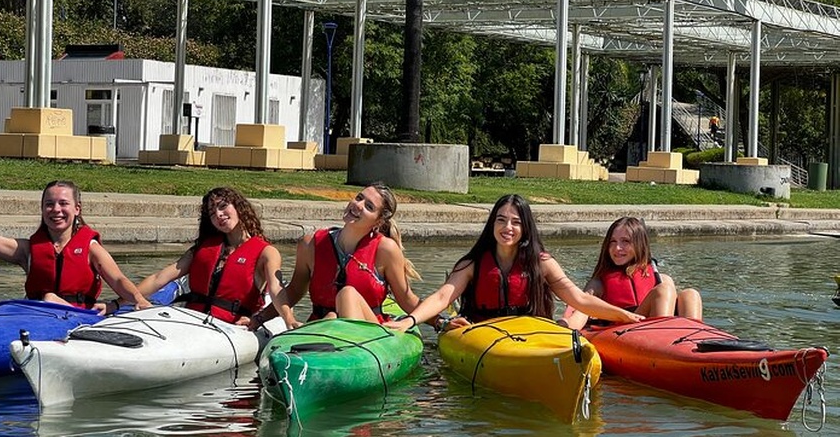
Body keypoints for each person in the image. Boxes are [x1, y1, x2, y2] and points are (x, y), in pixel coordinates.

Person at [385, 194, 643, 333]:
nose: (508, 228)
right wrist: (409, 321)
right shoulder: (472, 263)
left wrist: (624, 315)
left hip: (529, 333)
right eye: (501, 220)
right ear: (492, 224)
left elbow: (578, 298)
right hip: (483, 333)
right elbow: (443, 296)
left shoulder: (542, 263)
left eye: (516, 222)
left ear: (526, 228)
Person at [0, 180, 151, 314]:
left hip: (80, 318)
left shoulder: (91, 248)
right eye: (49, 204)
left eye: (63, 203)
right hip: (35, 315)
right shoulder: (27, 250)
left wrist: (139, 299)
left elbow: (118, 280)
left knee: (49, 297)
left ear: (77, 209)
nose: (56, 209)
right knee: (46, 298)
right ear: (42, 209)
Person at [137, 187, 297, 328]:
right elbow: (160, 278)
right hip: (191, 320)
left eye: (223, 206)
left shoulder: (266, 252)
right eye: (212, 213)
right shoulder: (203, 249)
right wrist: (128, 299)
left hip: (232, 326)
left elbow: (276, 289)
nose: (219, 214)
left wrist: (288, 320)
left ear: (239, 208)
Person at [282, 182, 420, 324]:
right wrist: (261, 319)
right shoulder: (310, 245)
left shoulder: (385, 250)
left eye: (369, 207)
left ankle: (334, 321)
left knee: (347, 295)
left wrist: (438, 321)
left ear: (378, 222)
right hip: (320, 329)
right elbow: (293, 291)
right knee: (331, 316)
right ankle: (330, 321)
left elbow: (407, 299)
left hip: (368, 332)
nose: (358, 205)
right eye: (359, 198)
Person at [561, 216, 703, 330]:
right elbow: (583, 309)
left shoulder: (660, 278)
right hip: (626, 331)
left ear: (639, 244)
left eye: (625, 241)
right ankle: (663, 342)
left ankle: (695, 340)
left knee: (691, 294)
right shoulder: (598, 284)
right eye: (613, 241)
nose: (617, 248)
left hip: (655, 327)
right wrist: (566, 324)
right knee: (663, 290)